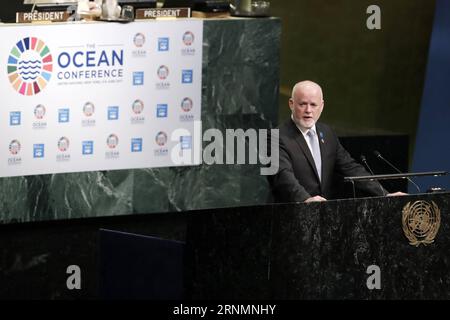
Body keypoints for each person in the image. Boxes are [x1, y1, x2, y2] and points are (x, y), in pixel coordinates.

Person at [269, 80, 404, 203]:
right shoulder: (273, 137)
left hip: (325, 215)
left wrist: (385, 195)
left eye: (313, 105)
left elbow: (351, 169)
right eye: (303, 104)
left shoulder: (327, 134)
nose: (308, 110)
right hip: (288, 216)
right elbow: (282, 176)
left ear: (321, 106)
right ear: (291, 104)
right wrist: (305, 199)